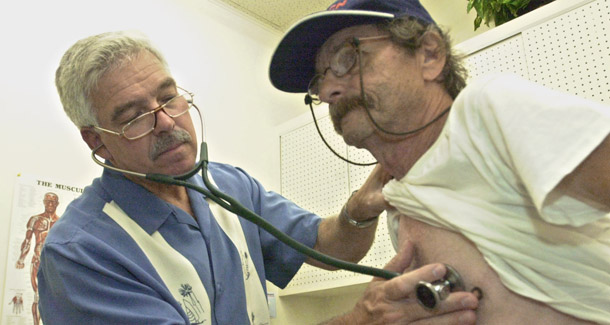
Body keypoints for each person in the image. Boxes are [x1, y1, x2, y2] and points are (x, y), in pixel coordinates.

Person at [38, 30, 479, 324]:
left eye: (169, 98)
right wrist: (362, 318)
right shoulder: (81, 253)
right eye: (134, 117)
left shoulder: (225, 185)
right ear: (97, 141)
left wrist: (358, 213)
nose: (168, 123)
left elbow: (328, 246)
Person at [268, 0, 610, 324]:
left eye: (348, 58)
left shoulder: (485, 112)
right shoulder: (401, 204)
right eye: (319, 80)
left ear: (429, 54)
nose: (327, 90)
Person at [15, 192, 60, 325]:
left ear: (57, 203)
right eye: (47, 201)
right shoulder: (35, 219)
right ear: (43, 202)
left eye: (53, 201)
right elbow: (27, 241)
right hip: (37, 260)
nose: (50, 204)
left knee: (54, 298)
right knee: (38, 296)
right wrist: (21, 259)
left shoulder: (61, 222)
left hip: (53, 264)